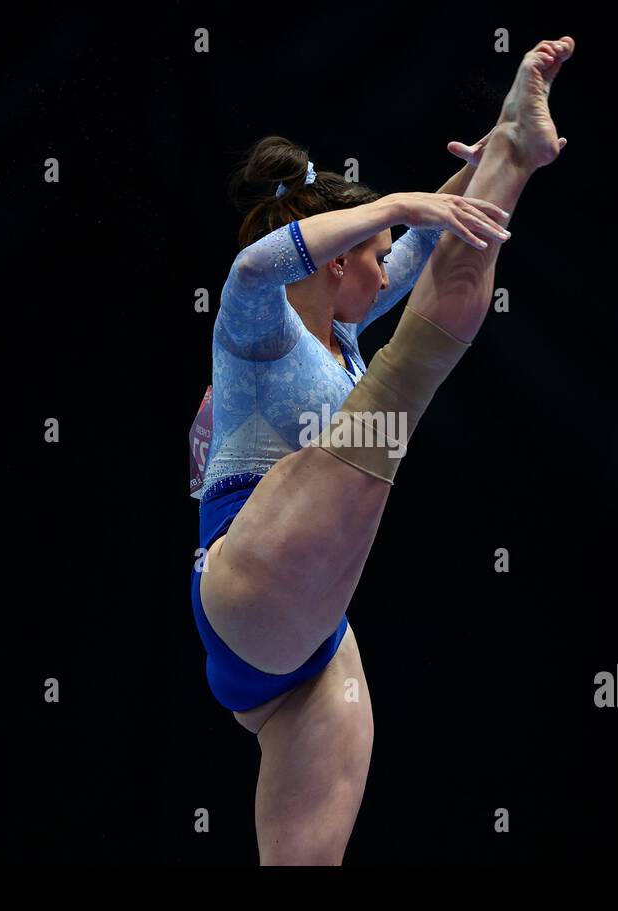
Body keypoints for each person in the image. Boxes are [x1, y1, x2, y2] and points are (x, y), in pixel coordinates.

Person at [188, 36, 576, 864]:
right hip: (248, 578)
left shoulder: (346, 333)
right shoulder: (258, 329)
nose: (384, 266)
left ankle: (513, 150)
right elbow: (256, 266)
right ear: (330, 260)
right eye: (368, 254)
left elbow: (429, 245)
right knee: (418, 366)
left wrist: (460, 187)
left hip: (304, 655)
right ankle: (518, 147)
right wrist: (416, 197)